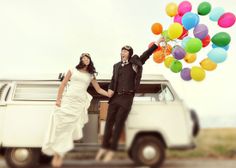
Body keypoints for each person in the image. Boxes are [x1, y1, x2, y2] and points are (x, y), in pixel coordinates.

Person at [95, 36, 165, 162]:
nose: (123, 53)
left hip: (127, 98)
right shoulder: (116, 66)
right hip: (115, 97)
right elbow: (113, 80)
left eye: (126, 51)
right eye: (122, 51)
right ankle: (104, 147)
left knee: (119, 124)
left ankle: (112, 150)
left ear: (130, 54)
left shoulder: (135, 63)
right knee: (109, 123)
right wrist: (110, 89)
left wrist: (158, 42)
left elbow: (147, 54)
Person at [42, 53, 109, 167]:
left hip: (79, 103)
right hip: (68, 99)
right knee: (61, 125)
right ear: (81, 60)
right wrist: (58, 99)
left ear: (89, 60)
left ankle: (59, 154)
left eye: (87, 58)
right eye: (83, 58)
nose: (85, 60)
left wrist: (109, 94)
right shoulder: (72, 70)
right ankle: (57, 152)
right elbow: (63, 84)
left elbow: (98, 89)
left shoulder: (91, 75)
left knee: (69, 129)